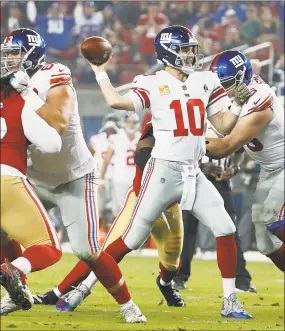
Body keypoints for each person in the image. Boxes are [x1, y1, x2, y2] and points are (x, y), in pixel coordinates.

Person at [89, 25, 252, 318]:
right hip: (162, 170)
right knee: (131, 240)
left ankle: (230, 301)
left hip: (194, 172)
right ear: (168, 53)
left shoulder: (205, 80)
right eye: (185, 49)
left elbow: (225, 126)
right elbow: (116, 101)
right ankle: (85, 285)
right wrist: (100, 72)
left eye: (192, 48)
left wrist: (238, 103)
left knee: (225, 227)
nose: (192, 54)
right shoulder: (152, 82)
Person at [0, 28, 146, 324]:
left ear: (33, 56)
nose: (10, 60)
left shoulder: (53, 75)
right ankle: (16, 293)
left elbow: (56, 123)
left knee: (87, 249)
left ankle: (128, 304)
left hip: (73, 177)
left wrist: (26, 93)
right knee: (3, 233)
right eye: (7, 54)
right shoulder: (7, 85)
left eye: (16, 54)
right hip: (33, 179)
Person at [35, 121, 186, 312]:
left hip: (169, 206)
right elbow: (143, 155)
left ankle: (165, 284)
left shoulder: (189, 135)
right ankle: (65, 291)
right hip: (140, 198)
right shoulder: (154, 130)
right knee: (104, 252)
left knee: (172, 261)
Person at [207, 50, 284, 272]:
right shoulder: (241, 97)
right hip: (270, 170)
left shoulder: (260, 98)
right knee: (265, 243)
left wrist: (183, 139)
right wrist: (236, 163)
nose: (223, 89)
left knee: (271, 216)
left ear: (242, 76)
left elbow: (225, 145)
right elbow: (242, 141)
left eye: (228, 83)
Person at [0, 43, 62, 313]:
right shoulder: (21, 97)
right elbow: (52, 144)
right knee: (48, 247)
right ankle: (15, 269)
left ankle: (17, 291)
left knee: (5, 238)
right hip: (7, 178)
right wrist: (30, 96)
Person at [172, 122, 256, 293]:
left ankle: (241, 280)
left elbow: (239, 150)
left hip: (220, 182)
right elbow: (177, 153)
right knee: (187, 230)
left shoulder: (229, 122)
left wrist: (234, 168)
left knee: (230, 229)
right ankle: (178, 276)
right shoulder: (192, 120)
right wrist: (200, 167)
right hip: (193, 180)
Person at [98, 113, 141, 217]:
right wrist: (101, 179)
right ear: (125, 123)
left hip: (137, 180)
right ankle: (119, 233)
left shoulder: (141, 138)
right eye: (130, 122)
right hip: (120, 180)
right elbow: (106, 160)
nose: (132, 125)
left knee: (136, 212)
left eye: (134, 122)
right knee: (120, 212)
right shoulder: (116, 137)